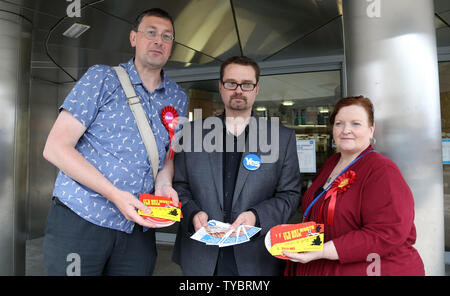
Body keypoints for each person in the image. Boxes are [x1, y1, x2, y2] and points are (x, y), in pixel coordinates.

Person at [42, 8, 187, 275]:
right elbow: (55, 148)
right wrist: (114, 195)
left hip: (137, 229)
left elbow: (167, 155)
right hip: (82, 218)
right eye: (151, 33)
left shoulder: (178, 97)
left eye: (167, 36)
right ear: (134, 38)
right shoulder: (101, 78)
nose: (159, 40)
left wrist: (164, 184)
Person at [172, 56, 301, 275]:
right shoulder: (191, 134)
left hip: (256, 256)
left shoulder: (281, 138)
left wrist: (256, 216)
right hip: (201, 255)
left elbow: (290, 194)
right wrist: (192, 213)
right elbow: (179, 185)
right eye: (231, 83)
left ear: (257, 88)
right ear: (220, 87)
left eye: (246, 84)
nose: (238, 90)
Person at [283, 96, 424, 276]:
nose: (346, 130)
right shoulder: (332, 163)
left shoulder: (382, 170)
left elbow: (387, 232)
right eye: (339, 123)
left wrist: (323, 251)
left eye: (356, 124)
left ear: (371, 130)